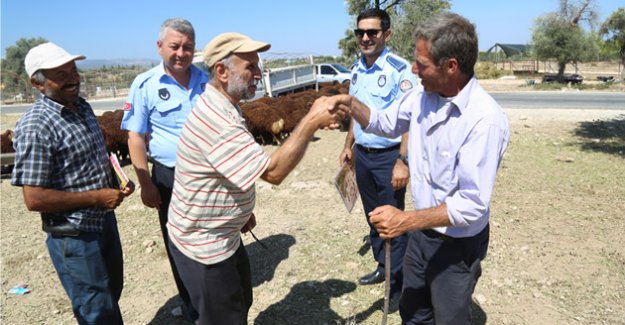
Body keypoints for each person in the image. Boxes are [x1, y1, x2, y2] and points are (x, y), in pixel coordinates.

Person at [329, 12, 510, 324]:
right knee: (413, 312)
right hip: (421, 233)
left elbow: (471, 205)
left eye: (422, 64)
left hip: (457, 243)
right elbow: (384, 122)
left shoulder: (483, 120)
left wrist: (404, 221)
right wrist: (349, 102)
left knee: (449, 316)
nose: (413, 70)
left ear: (451, 67)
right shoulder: (422, 95)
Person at [166, 32, 347, 324]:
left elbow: (226, 168)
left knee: (239, 303)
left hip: (223, 234)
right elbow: (273, 172)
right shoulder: (218, 120)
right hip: (205, 246)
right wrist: (311, 120)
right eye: (250, 66)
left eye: (257, 65)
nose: (258, 74)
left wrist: (239, 212)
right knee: (224, 317)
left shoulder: (226, 105)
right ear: (222, 72)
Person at [12, 42, 135, 324]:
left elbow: (92, 160)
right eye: (61, 74)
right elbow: (34, 199)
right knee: (96, 310)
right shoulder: (36, 126)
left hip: (102, 224)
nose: (73, 77)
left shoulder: (82, 107)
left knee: (109, 295)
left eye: (73, 70)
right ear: (38, 83)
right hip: (74, 235)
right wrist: (95, 197)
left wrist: (117, 180)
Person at [120, 18, 207, 321]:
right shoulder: (144, 85)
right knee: (179, 244)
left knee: (214, 236)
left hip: (210, 176)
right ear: (160, 47)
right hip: (171, 177)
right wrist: (146, 182)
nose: (182, 53)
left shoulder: (208, 81)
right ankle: (194, 306)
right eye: (175, 46)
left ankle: (215, 297)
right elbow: (135, 137)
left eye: (188, 47)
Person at [339, 8, 417, 307]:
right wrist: (348, 144)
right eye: (360, 33)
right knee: (373, 217)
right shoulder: (356, 68)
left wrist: (403, 160)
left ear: (387, 34)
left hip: (389, 157)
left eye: (372, 32)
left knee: (393, 220)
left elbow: (410, 118)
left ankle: (398, 287)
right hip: (362, 155)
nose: (365, 38)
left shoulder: (400, 69)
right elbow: (355, 112)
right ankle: (383, 268)